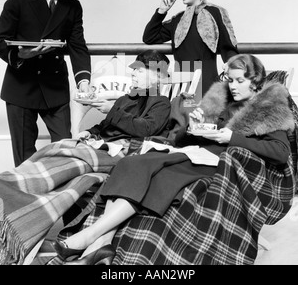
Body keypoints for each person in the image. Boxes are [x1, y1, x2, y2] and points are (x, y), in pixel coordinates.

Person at [50, 54, 295, 265]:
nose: (233, 86)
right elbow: (183, 137)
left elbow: (280, 152)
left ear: (256, 82)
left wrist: (232, 137)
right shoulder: (222, 101)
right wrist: (195, 125)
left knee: (161, 174)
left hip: (221, 165)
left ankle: (89, 238)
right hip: (197, 153)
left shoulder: (268, 108)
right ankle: (101, 243)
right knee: (133, 162)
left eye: (240, 81)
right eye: (230, 80)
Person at [0, 49, 172, 265]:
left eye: (140, 70)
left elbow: (146, 129)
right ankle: (16, 182)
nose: (133, 74)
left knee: (67, 152)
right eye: (134, 69)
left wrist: (112, 111)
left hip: (118, 153)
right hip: (99, 146)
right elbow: (106, 126)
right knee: (60, 147)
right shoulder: (128, 98)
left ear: (157, 75)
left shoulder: (160, 102)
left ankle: (16, 186)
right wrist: (92, 132)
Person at [0, 0, 92, 167]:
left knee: (64, 154)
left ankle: (61, 200)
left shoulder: (73, 6)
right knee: (24, 161)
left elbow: (78, 46)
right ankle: (28, 200)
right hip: (21, 88)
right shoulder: (18, 0)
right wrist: (21, 55)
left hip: (54, 87)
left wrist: (84, 81)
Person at [143, 0, 239, 98]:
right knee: (181, 116)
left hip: (206, 84)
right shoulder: (178, 19)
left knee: (202, 117)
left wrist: (232, 67)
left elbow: (228, 47)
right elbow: (149, 37)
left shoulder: (215, 13)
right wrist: (161, 12)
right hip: (181, 86)